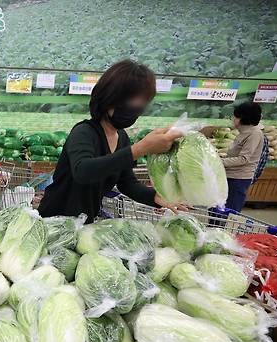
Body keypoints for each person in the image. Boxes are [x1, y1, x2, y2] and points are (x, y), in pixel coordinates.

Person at [38, 60, 183, 221]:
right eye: (134, 101)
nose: (138, 108)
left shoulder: (122, 138)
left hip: (84, 225)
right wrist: (141, 149)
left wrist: (156, 197)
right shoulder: (84, 132)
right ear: (110, 98)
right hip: (54, 221)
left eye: (142, 102)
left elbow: (127, 183)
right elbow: (83, 171)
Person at [221, 102, 265, 212]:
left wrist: (219, 161)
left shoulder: (255, 134)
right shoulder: (243, 132)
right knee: (218, 209)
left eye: (235, 116)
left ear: (242, 118)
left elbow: (243, 159)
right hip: (229, 176)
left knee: (228, 212)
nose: (232, 119)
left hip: (238, 179)